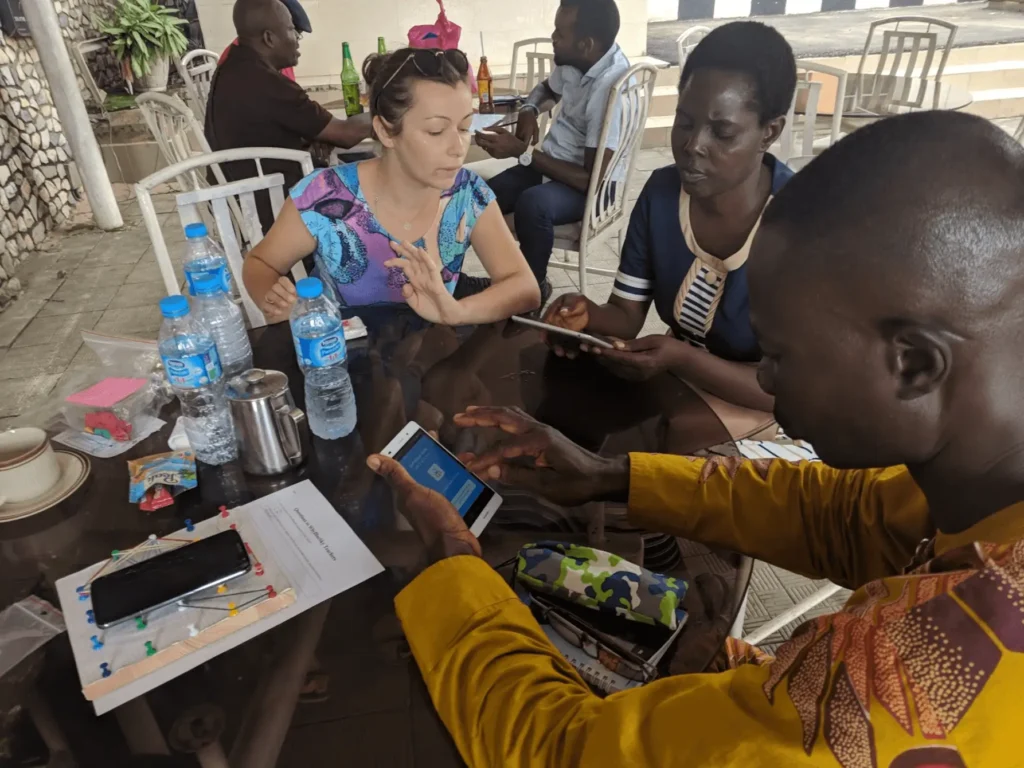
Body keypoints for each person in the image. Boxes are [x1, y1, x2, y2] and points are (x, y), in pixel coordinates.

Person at [366, 110, 1024, 765]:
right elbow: (856, 515)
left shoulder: (904, 690)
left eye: (782, 355)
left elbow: (564, 751)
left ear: (912, 363)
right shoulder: (981, 482)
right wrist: (612, 475)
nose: (763, 374)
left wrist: (452, 562)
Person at [544, 21, 795, 441]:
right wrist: (587, 313)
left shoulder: (802, 225)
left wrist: (681, 359)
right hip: (681, 377)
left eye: (722, 132)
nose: (693, 145)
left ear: (769, 132)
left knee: (658, 443)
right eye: (685, 121)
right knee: (564, 390)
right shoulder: (663, 192)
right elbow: (626, 316)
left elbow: (792, 391)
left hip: (770, 406)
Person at [242, 48, 541, 325]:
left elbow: (524, 287)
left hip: (433, 363)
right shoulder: (325, 197)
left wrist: (456, 311)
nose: (458, 147)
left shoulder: (466, 194)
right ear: (385, 131)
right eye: (436, 131)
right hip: (344, 363)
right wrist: (274, 297)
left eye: (464, 128)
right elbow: (260, 263)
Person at [475, 0, 630, 305]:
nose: (553, 38)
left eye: (560, 33)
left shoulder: (609, 91)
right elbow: (546, 89)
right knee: (481, 196)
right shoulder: (577, 60)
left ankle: (531, 290)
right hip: (553, 166)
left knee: (534, 204)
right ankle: (505, 278)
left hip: (596, 185)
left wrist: (522, 151)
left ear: (585, 44)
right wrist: (531, 108)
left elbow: (591, 180)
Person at [205, 0, 371, 232]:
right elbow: (346, 135)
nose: (297, 41)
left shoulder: (235, 64)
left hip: (241, 194)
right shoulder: (268, 83)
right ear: (269, 38)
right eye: (293, 31)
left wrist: (311, 135)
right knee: (373, 173)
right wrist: (384, 109)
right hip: (272, 203)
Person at [216, 0, 310, 81]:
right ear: (269, 37)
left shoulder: (279, 57)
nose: (296, 43)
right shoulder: (240, 66)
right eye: (291, 31)